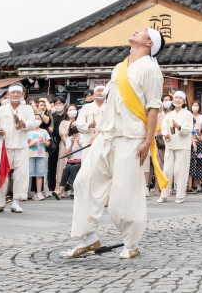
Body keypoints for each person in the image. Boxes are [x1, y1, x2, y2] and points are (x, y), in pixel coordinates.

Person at [62, 28, 163, 260]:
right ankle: (89, 237)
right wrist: (100, 130)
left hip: (132, 137)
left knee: (125, 192)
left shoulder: (151, 69)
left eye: (144, 31)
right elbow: (111, 103)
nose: (136, 30)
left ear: (149, 42)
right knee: (84, 181)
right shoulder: (119, 66)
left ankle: (131, 243)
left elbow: (153, 108)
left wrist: (148, 141)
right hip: (107, 135)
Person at [0, 84, 38, 213]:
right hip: (4, 146)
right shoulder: (1, 110)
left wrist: (23, 124)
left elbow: (33, 123)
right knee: (0, 174)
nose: (15, 95)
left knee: (21, 174)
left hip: (21, 146)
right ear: (8, 95)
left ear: (23, 95)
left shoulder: (27, 109)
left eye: (18, 93)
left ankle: (16, 202)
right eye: (12, 93)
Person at [158, 90, 194, 203]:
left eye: (180, 98)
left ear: (184, 101)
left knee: (180, 170)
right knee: (167, 170)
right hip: (170, 144)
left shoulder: (187, 114)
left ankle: (180, 195)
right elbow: (163, 128)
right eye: (176, 98)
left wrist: (179, 126)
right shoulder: (169, 115)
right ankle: (164, 194)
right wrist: (165, 135)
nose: (177, 99)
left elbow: (188, 130)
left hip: (183, 145)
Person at [28, 123, 51, 200]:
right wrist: (30, 145)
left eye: (38, 119)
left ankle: (39, 192)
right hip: (29, 154)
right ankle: (25, 192)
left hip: (41, 155)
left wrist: (44, 142)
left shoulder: (44, 131)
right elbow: (23, 144)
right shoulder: (27, 131)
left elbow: (48, 144)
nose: (36, 121)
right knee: (28, 174)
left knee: (39, 174)